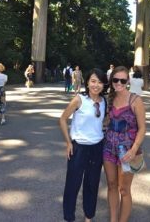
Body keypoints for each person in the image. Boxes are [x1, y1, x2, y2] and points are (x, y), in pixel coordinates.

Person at [59, 68, 107, 222]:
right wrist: (68, 142)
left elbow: (101, 121)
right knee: (73, 184)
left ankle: (88, 217)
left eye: (100, 82)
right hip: (78, 147)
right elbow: (62, 119)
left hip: (97, 147)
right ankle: (69, 217)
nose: (96, 85)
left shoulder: (104, 101)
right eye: (93, 81)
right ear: (87, 82)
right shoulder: (79, 99)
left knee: (92, 185)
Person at [103, 66, 146, 222]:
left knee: (124, 189)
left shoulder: (135, 100)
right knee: (112, 185)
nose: (119, 83)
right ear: (112, 80)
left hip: (127, 150)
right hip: (108, 148)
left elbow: (142, 129)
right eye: (115, 80)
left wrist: (134, 150)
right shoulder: (109, 98)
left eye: (122, 80)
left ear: (128, 81)